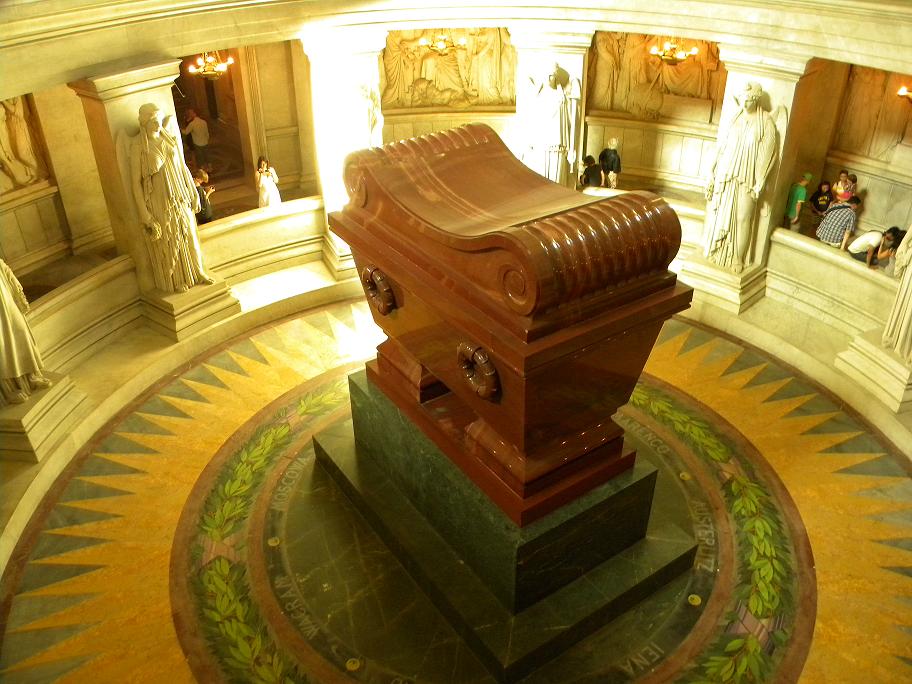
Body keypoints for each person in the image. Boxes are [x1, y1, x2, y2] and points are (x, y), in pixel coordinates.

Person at [130, 103, 213, 293]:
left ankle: (198, 271)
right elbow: (136, 184)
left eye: (158, 120)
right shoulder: (138, 147)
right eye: (153, 122)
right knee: (170, 240)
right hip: (160, 199)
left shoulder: (169, 139)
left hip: (179, 194)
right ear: (144, 123)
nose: (158, 125)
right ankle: (177, 279)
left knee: (190, 234)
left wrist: (192, 191)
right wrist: (146, 217)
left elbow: (183, 167)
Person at [703, 82, 778, 273]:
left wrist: (760, 181)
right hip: (726, 173)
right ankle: (720, 250)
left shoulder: (766, 122)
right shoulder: (734, 118)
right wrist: (711, 172)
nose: (745, 104)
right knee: (721, 213)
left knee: (743, 217)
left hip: (748, 177)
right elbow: (721, 148)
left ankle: (738, 257)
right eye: (743, 100)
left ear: (756, 99)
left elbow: (768, 155)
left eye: (749, 100)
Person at [1, 258, 52, 406]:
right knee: (2, 347)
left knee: (21, 334)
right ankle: (9, 390)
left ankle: (32, 377)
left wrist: (15, 287)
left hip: (4, 296)